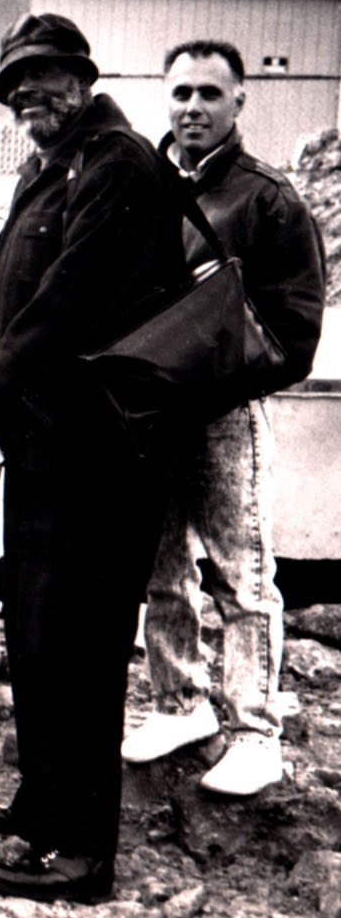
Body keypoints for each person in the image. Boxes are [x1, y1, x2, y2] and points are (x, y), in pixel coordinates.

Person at [0, 14, 187, 903]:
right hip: (49, 443)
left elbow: (67, 300)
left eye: (45, 78)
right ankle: (39, 802)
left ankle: (82, 851)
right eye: (15, 85)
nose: (28, 96)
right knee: (40, 631)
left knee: (82, 645)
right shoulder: (50, 162)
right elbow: (13, 288)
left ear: (83, 77)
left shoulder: (118, 164)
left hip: (104, 453)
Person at [120, 40, 325, 796]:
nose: (192, 108)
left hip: (221, 414)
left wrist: (215, 373)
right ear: (162, 98)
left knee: (242, 574)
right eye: (180, 93)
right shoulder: (142, 184)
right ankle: (177, 703)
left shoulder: (267, 198)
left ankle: (253, 731)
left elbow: (296, 332)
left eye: (210, 93)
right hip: (149, 411)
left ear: (240, 100)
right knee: (160, 566)